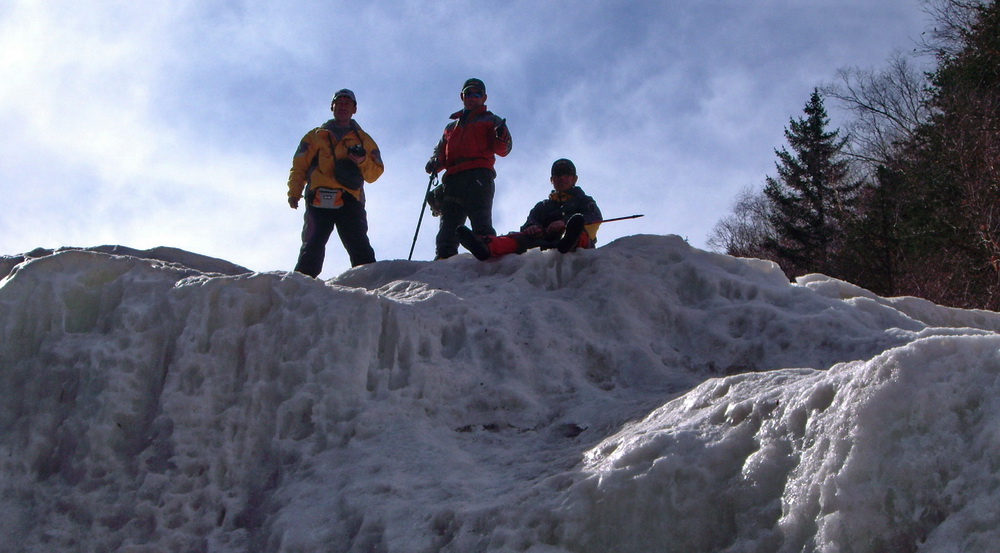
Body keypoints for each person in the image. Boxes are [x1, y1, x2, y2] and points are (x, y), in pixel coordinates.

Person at [287, 89, 384, 277]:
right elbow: (299, 166)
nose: (343, 107)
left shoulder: (364, 140)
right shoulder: (315, 136)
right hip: (318, 197)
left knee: (359, 245)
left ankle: (370, 283)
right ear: (332, 107)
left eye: (347, 104)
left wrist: (362, 161)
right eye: (339, 103)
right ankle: (302, 284)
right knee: (312, 246)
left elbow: (375, 172)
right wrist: (294, 192)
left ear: (354, 109)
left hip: (350, 198)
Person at [425, 77, 512, 259]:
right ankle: (444, 258)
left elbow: (503, 149)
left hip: (479, 175)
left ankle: (489, 252)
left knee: (481, 221)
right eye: (469, 93)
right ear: (462, 96)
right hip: (454, 178)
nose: (473, 97)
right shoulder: (451, 127)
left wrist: (502, 137)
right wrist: (435, 162)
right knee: (447, 228)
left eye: (477, 94)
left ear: (484, 97)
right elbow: (440, 151)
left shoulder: (491, 120)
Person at [456, 158, 602, 260]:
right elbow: (529, 223)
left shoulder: (584, 200)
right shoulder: (542, 206)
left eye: (566, 174)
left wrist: (565, 223)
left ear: (574, 179)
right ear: (552, 180)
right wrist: (532, 227)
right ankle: (485, 247)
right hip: (543, 243)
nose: (561, 177)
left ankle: (569, 241)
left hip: (576, 243)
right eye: (557, 174)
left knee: (579, 230)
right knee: (515, 238)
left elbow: (595, 218)